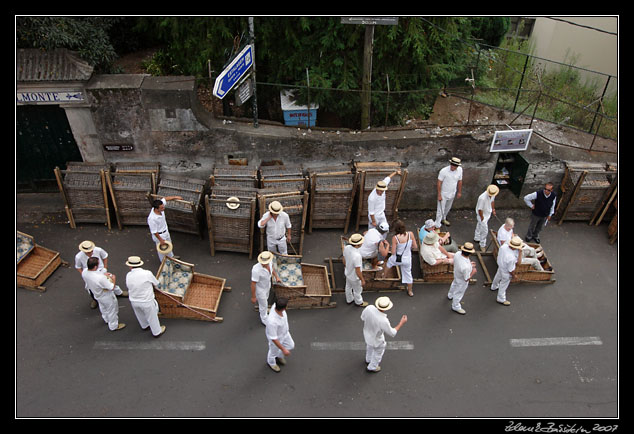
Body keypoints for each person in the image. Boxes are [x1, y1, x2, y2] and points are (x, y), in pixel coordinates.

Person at [360, 296, 407, 373]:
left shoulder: (369, 308)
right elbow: (392, 333)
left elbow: (363, 318)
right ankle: (372, 367)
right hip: (377, 340)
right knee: (378, 353)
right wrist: (401, 323)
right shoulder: (383, 320)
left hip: (367, 335)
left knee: (369, 347)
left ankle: (368, 359)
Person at [75, 240, 127, 309]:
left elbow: (105, 256)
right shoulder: (78, 257)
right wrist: (85, 276)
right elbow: (78, 267)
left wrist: (105, 268)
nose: (90, 253)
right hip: (89, 272)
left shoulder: (98, 250)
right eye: (88, 252)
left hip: (101, 270)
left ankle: (119, 292)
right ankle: (95, 299)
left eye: (91, 251)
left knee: (108, 282)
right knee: (91, 288)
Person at [125, 255, 166, 338]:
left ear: (130, 266)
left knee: (139, 314)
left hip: (134, 300)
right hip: (146, 300)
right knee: (152, 317)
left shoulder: (128, 275)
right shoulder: (147, 273)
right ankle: (156, 332)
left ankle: (145, 325)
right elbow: (156, 283)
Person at [81, 256, 125, 331]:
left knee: (103, 307)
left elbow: (96, 275)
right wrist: (113, 279)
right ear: (95, 266)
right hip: (106, 295)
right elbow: (111, 287)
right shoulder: (100, 278)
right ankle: (114, 326)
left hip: (97, 294)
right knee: (112, 310)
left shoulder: (85, 272)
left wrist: (103, 275)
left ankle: (106, 319)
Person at [384, 219, 417, 297]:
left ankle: (384, 275)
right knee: (408, 274)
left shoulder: (395, 238)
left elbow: (393, 252)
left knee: (389, 262)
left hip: (398, 258)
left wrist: (391, 246)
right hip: (407, 258)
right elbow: (415, 246)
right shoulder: (410, 234)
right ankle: (410, 291)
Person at [147, 196, 182, 262]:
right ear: (157, 209)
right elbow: (154, 231)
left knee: (169, 246)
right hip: (160, 235)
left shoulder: (159, 205)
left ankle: (172, 258)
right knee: (162, 251)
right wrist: (161, 240)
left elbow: (165, 199)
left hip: (165, 232)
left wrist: (175, 197)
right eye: (162, 207)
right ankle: (165, 263)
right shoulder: (152, 218)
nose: (164, 208)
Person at [490, 236, 523, 306]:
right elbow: (512, 269)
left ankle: (494, 286)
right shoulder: (511, 258)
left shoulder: (504, 246)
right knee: (503, 285)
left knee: (498, 276)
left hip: (501, 266)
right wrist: (514, 276)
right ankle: (501, 298)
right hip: (506, 271)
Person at [251, 251, 281, 325]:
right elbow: (253, 284)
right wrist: (253, 297)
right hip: (260, 290)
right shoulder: (256, 270)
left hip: (267, 286)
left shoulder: (269, 263)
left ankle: (263, 309)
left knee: (266, 300)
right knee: (263, 305)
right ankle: (264, 318)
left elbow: (272, 269)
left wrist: (277, 277)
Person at [265, 297, 294, 373]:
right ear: (284, 308)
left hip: (285, 333)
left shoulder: (276, 305)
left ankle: (279, 356)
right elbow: (274, 338)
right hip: (277, 339)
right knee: (273, 352)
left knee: (291, 345)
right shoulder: (272, 322)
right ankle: (271, 363)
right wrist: (283, 349)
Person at [447, 242, 477, 315]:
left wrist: (470, 264)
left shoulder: (457, 254)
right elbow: (466, 278)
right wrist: (473, 271)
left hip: (457, 274)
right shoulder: (465, 267)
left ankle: (450, 295)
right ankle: (456, 306)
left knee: (454, 284)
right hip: (462, 281)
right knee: (459, 293)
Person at [435, 157, 463, 227]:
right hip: (443, 193)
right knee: (440, 209)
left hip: (452, 192)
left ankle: (443, 218)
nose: (453, 167)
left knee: (448, 207)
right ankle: (437, 224)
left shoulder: (460, 170)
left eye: (455, 165)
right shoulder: (443, 171)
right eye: (452, 165)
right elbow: (439, 183)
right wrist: (439, 194)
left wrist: (459, 192)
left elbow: (460, 181)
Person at [343, 233, 367, 307]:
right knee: (357, 290)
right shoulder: (357, 256)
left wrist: (346, 267)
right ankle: (359, 302)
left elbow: (343, 259)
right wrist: (362, 279)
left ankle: (349, 299)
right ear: (357, 245)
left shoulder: (347, 247)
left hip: (348, 272)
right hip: (354, 277)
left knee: (348, 287)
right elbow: (358, 270)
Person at [474, 184, 499, 252]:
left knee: (479, 225)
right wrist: (482, 217)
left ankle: (477, 237)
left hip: (487, 213)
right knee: (485, 231)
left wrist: (493, 209)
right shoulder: (482, 198)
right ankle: (482, 244)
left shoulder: (492, 194)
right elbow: (480, 209)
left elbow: (492, 201)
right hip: (482, 215)